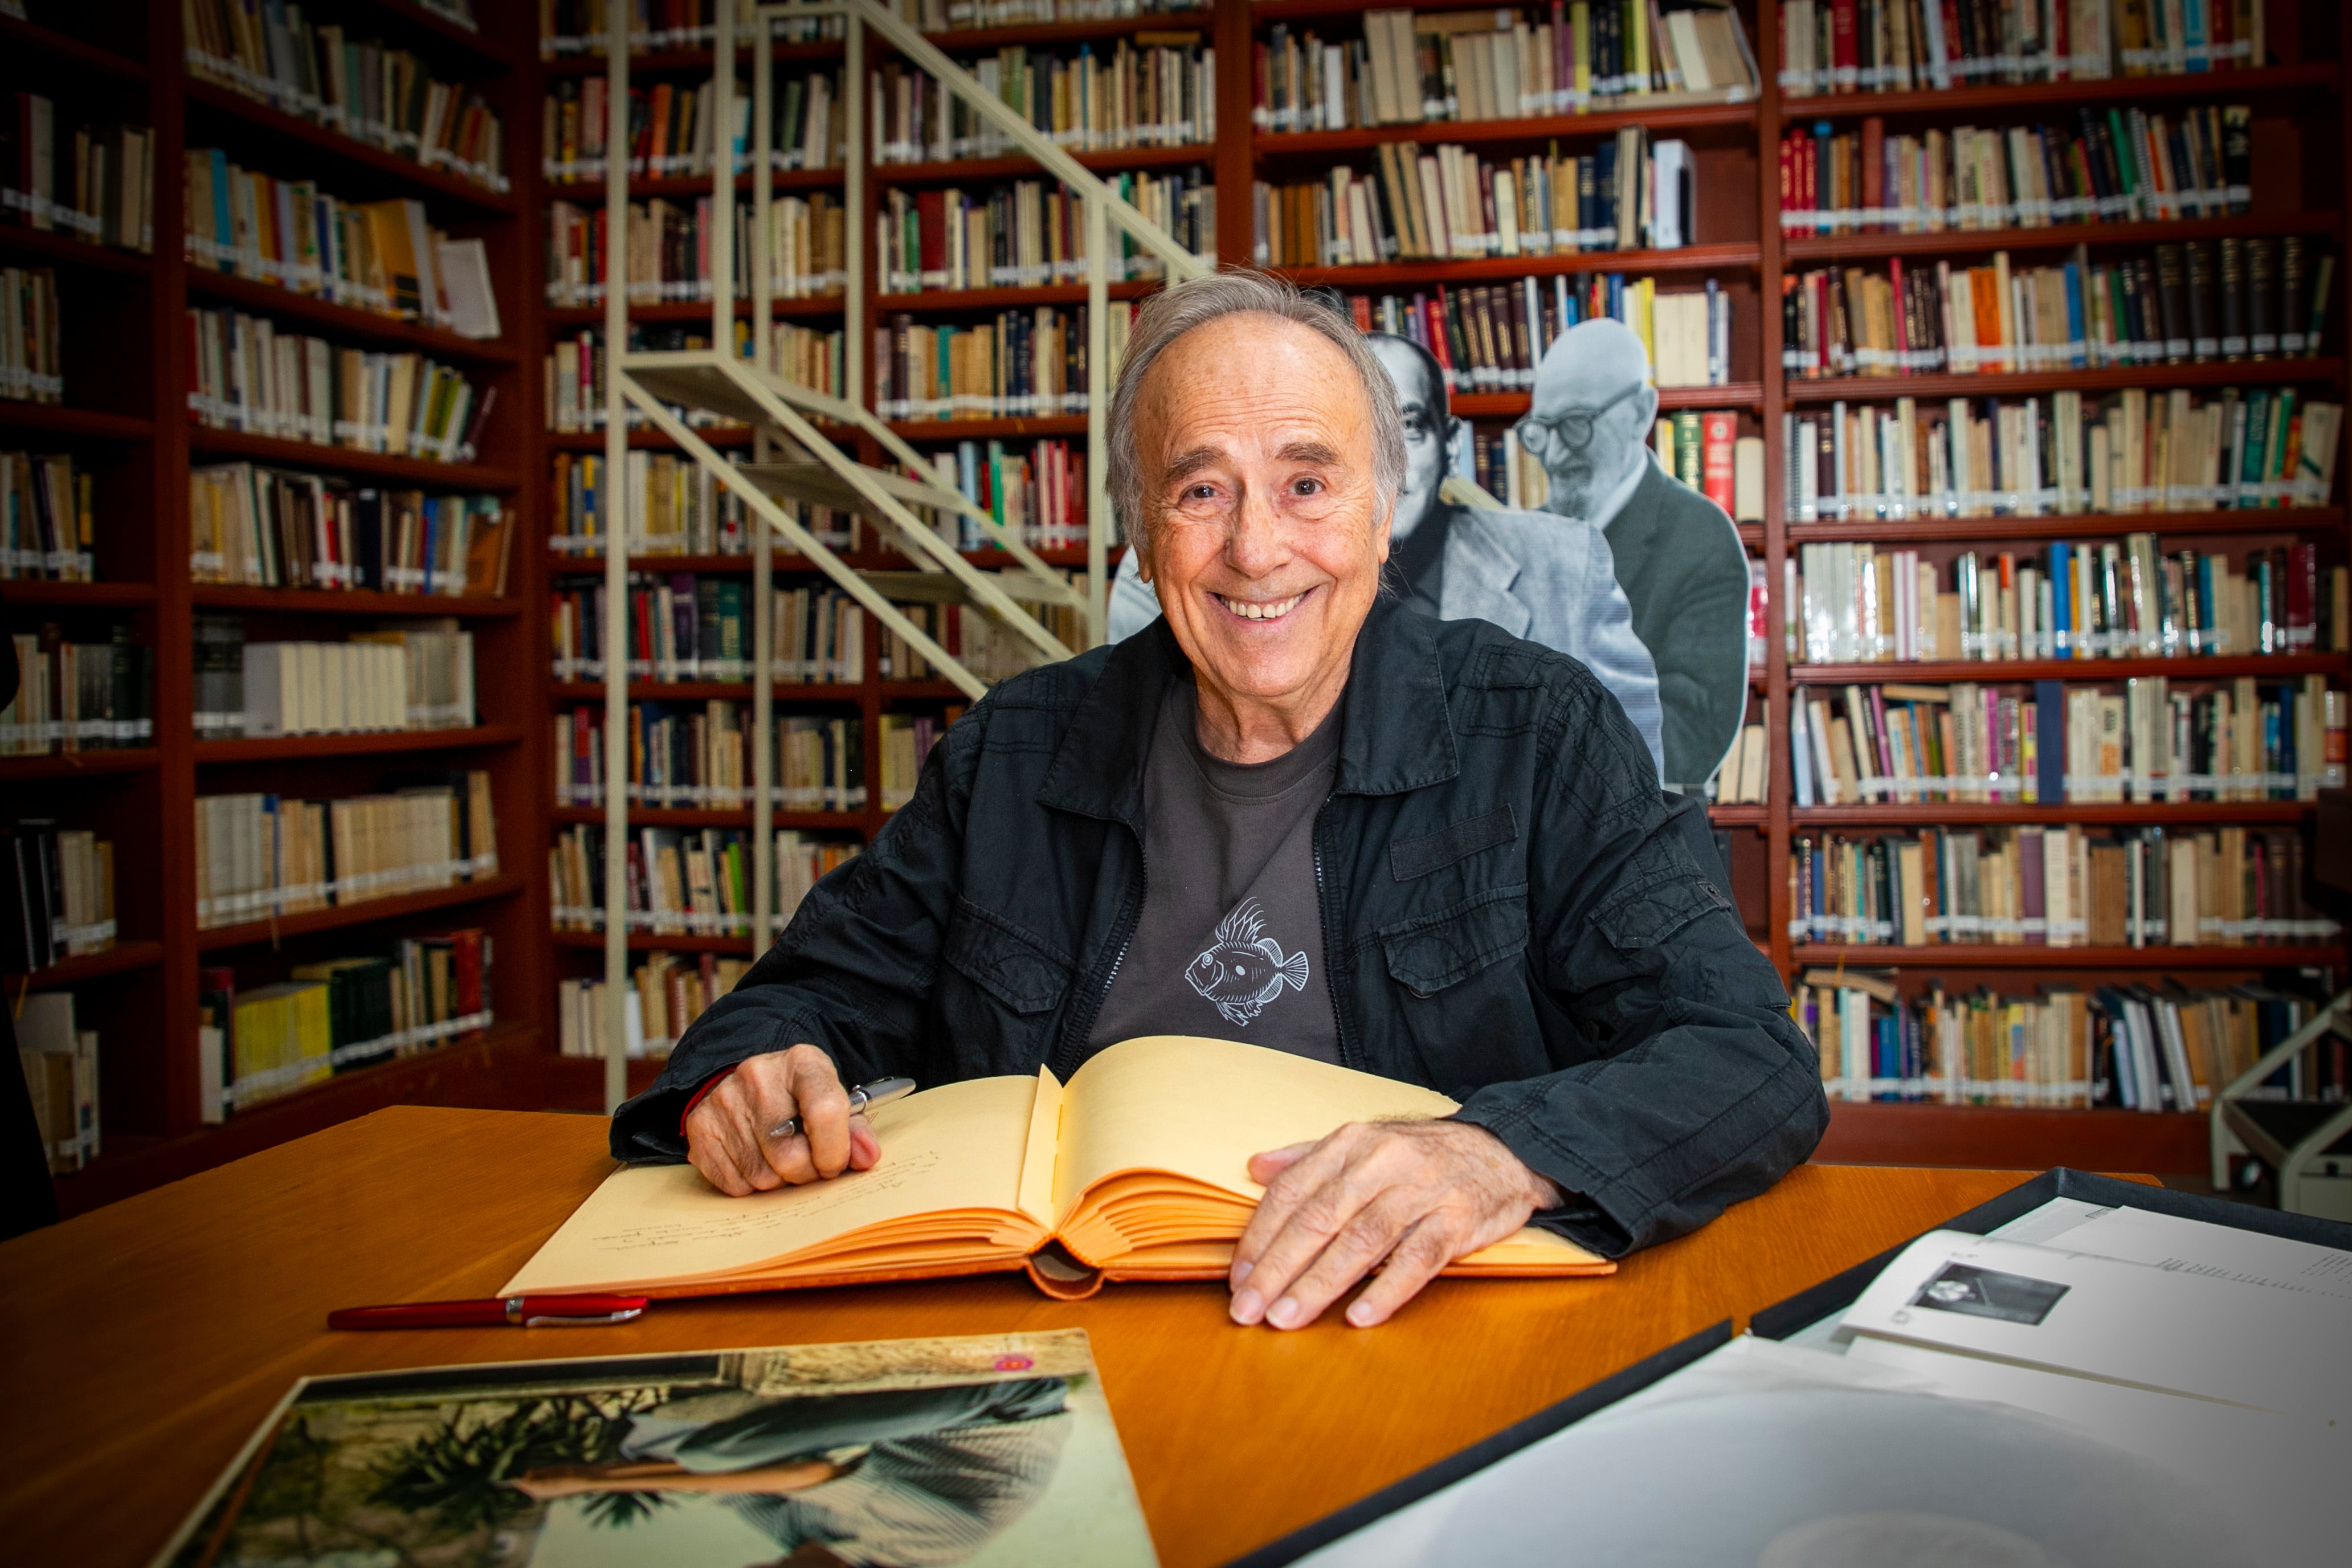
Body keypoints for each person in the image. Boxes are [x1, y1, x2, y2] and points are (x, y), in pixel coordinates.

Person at [614, 270, 1825, 1332]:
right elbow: (804, 998)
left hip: (1414, 1327)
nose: (1256, 550)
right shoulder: (1015, 749)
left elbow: (1744, 1055)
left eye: (1307, 482)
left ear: (1380, 511)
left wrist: (1500, 1150)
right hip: (1050, 1330)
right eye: (1201, 492)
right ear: (1140, 534)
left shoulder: (1541, 732)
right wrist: (754, 1071)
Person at [1109, 330, 1668, 780]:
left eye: (1410, 432)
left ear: (1452, 445)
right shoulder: (1172, 579)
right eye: (1205, 490)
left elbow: (1638, 789)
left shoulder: (1564, 569)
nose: (1389, 469)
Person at [1526, 317, 1753, 792]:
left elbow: (1689, 740)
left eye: (1576, 425)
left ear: (1640, 413)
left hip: (1638, 839)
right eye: (1542, 430)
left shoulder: (1701, 539)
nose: (1556, 455)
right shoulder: (1529, 537)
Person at [509, 1377, 1073, 1566]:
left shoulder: (796, 1539)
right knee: (707, 1457)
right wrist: (587, 1481)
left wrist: (609, 1472)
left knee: (662, 1447)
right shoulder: (919, 1550)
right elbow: (808, 1473)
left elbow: (725, 1492)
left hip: (902, 1428)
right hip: (1005, 1398)